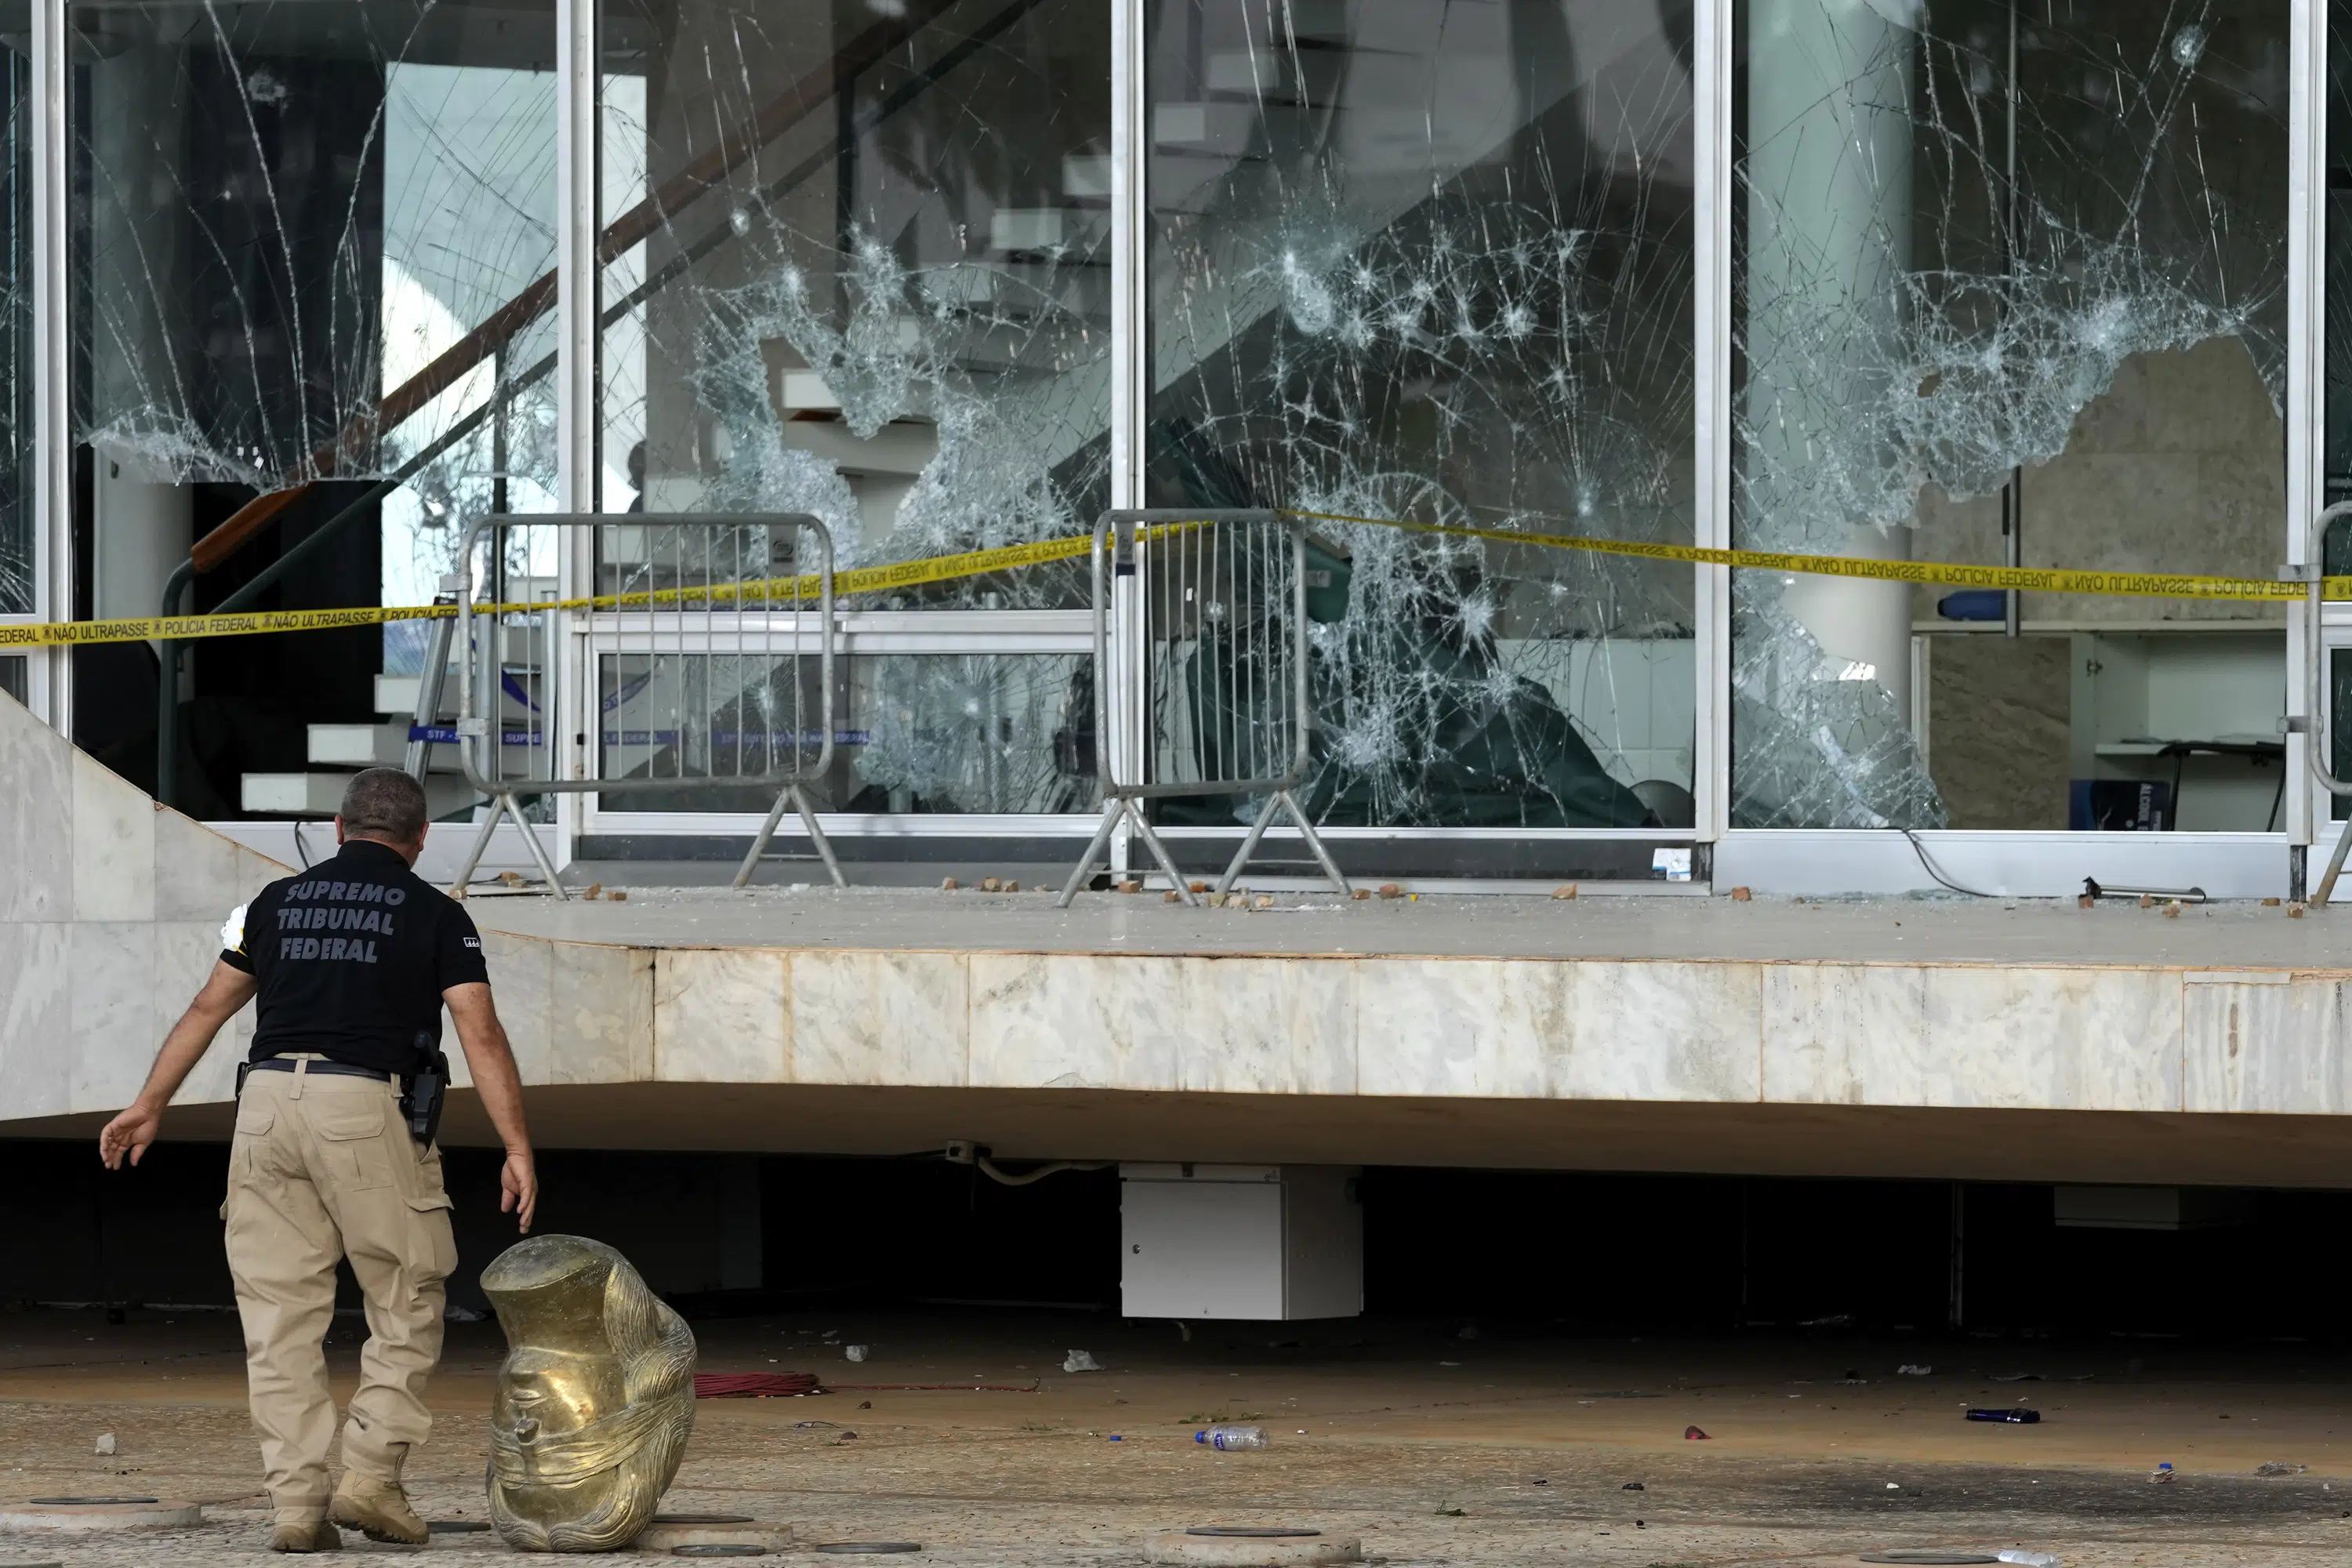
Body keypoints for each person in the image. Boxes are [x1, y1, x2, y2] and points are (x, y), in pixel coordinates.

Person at [99, 768, 539, 1554]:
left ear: (338, 830)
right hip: (364, 1107)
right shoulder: (437, 913)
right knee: (406, 1294)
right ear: (419, 841)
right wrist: (515, 1143)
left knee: (279, 1320)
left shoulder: (274, 903)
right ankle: (369, 1474)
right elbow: (479, 1028)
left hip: (265, 1106)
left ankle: (297, 1508)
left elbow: (209, 1003)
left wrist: (149, 1102)